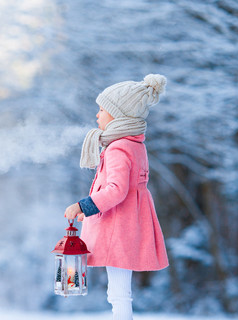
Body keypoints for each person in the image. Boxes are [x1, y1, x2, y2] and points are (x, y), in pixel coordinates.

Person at [64, 74, 169, 320]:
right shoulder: (135, 144)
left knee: (119, 291)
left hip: (119, 227)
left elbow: (116, 189)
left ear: (119, 115)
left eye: (102, 109)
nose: (97, 115)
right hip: (131, 222)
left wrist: (83, 205)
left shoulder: (119, 148)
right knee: (119, 288)